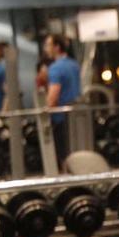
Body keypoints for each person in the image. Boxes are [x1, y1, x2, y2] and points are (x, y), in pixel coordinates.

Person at [43, 34, 81, 162]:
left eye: (48, 45)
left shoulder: (55, 68)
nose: (46, 49)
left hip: (60, 118)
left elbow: (54, 94)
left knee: (63, 155)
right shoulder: (74, 64)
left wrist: (45, 112)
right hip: (76, 116)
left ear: (57, 47)